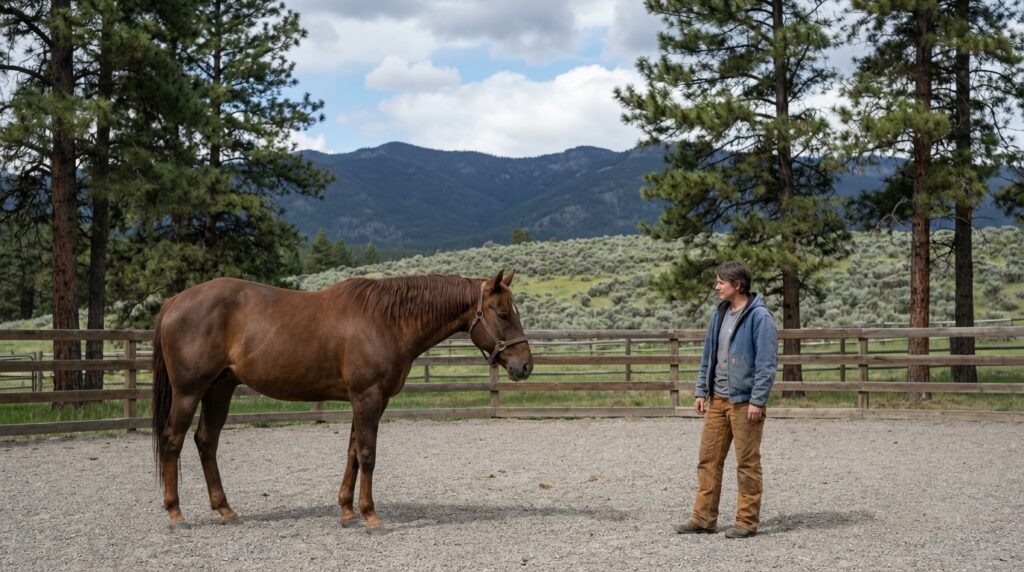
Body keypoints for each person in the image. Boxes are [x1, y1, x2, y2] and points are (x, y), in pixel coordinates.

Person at [675, 261, 778, 539]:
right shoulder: (718, 315)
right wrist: (700, 390)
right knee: (707, 460)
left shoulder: (760, 318)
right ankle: (703, 518)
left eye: (721, 282)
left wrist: (758, 400)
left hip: (745, 403)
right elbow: (708, 355)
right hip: (717, 401)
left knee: (747, 463)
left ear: (738, 285)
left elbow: (766, 364)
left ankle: (746, 521)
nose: (716, 286)